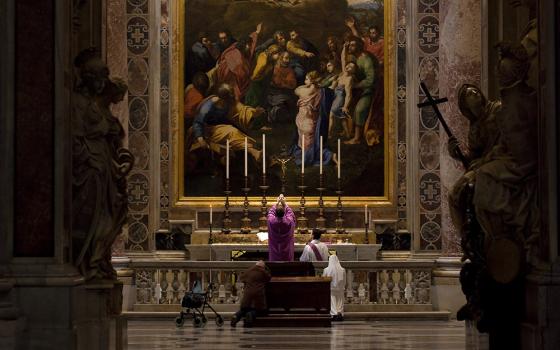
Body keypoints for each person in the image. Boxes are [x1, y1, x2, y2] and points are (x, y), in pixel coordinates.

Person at [187, 83, 264, 166]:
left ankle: (254, 153)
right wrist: (200, 139)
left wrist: (254, 113)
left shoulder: (228, 102)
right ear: (221, 98)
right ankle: (254, 153)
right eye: (228, 99)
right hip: (208, 130)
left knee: (236, 132)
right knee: (232, 132)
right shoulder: (209, 105)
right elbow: (198, 122)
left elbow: (241, 110)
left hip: (221, 127)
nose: (231, 101)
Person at [293, 71, 334, 168]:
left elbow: (296, 90)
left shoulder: (305, 91)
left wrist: (306, 86)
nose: (304, 81)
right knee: (310, 142)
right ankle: (314, 155)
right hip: (311, 120)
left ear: (312, 81)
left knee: (306, 143)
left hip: (304, 120)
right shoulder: (320, 91)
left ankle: (308, 158)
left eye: (307, 79)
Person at [217, 23, 262, 101]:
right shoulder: (237, 54)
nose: (223, 40)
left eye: (225, 37)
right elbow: (240, 71)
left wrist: (257, 32)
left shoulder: (239, 46)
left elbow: (251, 42)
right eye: (221, 38)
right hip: (231, 81)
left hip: (237, 80)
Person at [345, 36, 376, 145]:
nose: (350, 47)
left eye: (353, 45)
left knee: (359, 109)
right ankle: (349, 132)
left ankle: (357, 138)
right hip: (358, 90)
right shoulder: (354, 58)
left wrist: (357, 85)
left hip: (369, 90)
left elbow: (371, 80)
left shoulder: (365, 59)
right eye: (349, 45)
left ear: (359, 46)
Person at [328, 43, 356, 139]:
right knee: (342, 117)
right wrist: (344, 47)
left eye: (351, 67)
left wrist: (345, 106)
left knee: (331, 114)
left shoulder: (349, 79)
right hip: (335, 95)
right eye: (348, 66)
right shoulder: (344, 73)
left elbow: (349, 95)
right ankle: (348, 134)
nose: (348, 67)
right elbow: (343, 59)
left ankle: (328, 134)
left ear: (353, 71)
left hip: (339, 98)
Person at [231, 260, 271, 327]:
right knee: (258, 310)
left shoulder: (248, 271)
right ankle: (250, 315)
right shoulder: (263, 271)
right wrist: (267, 269)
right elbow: (268, 278)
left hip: (247, 294)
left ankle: (236, 316)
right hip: (258, 294)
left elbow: (242, 278)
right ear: (263, 266)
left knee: (244, 309)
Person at [267, 51, 297, 123]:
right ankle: (273, 115)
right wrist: (285, 82)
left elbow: (293, 83)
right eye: (286, 58)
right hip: (274, 93)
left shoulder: (290, 69)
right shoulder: (276, 68)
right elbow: (277, 82)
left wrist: (283, 82)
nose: (288, 60)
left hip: (285, 92)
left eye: (289, 58)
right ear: (281, 58)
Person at [267, 194, 296, 261]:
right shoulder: (289, 221)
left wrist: (276, 204)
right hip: (286, 253)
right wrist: (285, 204)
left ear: (275, 213)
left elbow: (270, 213)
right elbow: (291, 214)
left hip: (274, 252)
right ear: (284, 213)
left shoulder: (271, 221)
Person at [323, 255, 346, 321]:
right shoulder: (342, 269)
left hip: (331, 288)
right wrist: (343, 286)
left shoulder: (326, 269)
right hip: (340, 288)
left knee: (332, 301)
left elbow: (324, 279)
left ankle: (334, 314)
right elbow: (345, 280)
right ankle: (340, 313)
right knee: (340, 301)